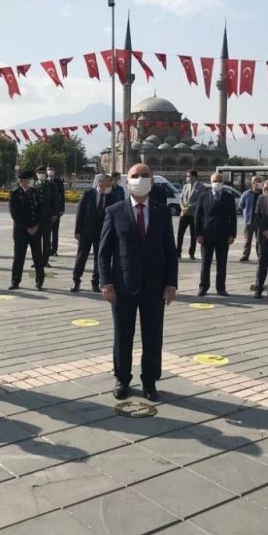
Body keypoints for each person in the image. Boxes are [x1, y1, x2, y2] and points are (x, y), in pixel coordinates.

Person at [99, 163, 177, 401]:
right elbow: (104, 251)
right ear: (126, 181)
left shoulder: (162, 212)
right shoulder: (115, 211)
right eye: (135, 175)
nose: (140, 179)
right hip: (122, 285)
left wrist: (171, 283)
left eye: (145, 175)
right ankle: (122, 378)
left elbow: (170, 251)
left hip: (154, 286)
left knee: (153, 336)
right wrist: (105, 282)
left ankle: (150, 380)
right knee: (123, 335)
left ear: (152, 181)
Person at [71, 174, 117, 293]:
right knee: (81, 257)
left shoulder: (111, 197)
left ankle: (95, 282)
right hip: (86, 232)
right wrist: (77, 231)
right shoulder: (88, 194)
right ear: (100, 184)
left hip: (102, 233)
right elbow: (80, 212)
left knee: (99, 258)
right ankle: (76, 280)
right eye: (107, 183)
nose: (109, 186)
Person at [194, 173, 237, 296]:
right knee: (205, 263)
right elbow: (197, 217)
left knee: (222, 263)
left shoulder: (229, 197)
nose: (217, 182)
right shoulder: (203, 197)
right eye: (215, 180)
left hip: (223, 236)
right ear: (211, 182)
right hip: (206, 236)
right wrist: (198, 234)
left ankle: (221, 288)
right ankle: (203, 287)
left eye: (219, 180)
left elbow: (233, 217)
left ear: (223, 182)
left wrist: (232, 234)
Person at [9, 170, 44, 290]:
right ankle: (15, 281)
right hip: (21, 231)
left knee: (37, 257)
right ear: (20, 181)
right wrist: (27, 228)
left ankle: (39, 281)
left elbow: (41, 210)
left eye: (29, 180)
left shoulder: (34, 192)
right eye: (25, 180)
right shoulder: (15, 194)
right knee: (19, 257)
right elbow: (15, 214)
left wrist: (37, 226)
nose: (28, 182)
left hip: (35, 230)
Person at [34, 165, 61, 267]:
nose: (41, 174)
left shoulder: (52, 185)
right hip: (36, 218)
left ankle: (45, 261)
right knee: (36, 241)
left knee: (46, 240)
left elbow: (55, 201)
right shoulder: (34, 185)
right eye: (39, 173)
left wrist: (55, 214)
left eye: (43, 172)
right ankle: (37, 261)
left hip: (47, 216)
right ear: (36, 174)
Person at [176, 169, 203, 260]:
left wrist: (189, 207)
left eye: (189, 176)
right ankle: (178, 252)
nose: (187, 178)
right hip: (184, 213)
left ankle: (191, 253)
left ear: (194, 176)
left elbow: (200, 201)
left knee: (193, 235)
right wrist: (183, 208)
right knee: (180, 233)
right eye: (187, 176)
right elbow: (181, 198)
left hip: (193, 214)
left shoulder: (201, 187)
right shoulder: (185, 186)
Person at [238, 176, 263, 262]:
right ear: (253, 183)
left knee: (259, 240)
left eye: (261, 181)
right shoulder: (246, 194)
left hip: (260, 221)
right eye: (258, 181)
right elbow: (241, 205)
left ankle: (259, 255)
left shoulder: (263, 193)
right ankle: (245, 255)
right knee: (247, 240)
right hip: (249, 221)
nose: (260, 183)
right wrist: (246, 212)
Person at [47, 165, 65, 257]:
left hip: (56, 210)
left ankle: (54, 249)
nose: (50, 171)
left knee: (55, 231)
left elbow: (62, 196)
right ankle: (47, 248)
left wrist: (62, 209)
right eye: (49, 169)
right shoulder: (44, 181)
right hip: (46, 211)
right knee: (46, 231)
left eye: (52, 169)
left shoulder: (59, 182)